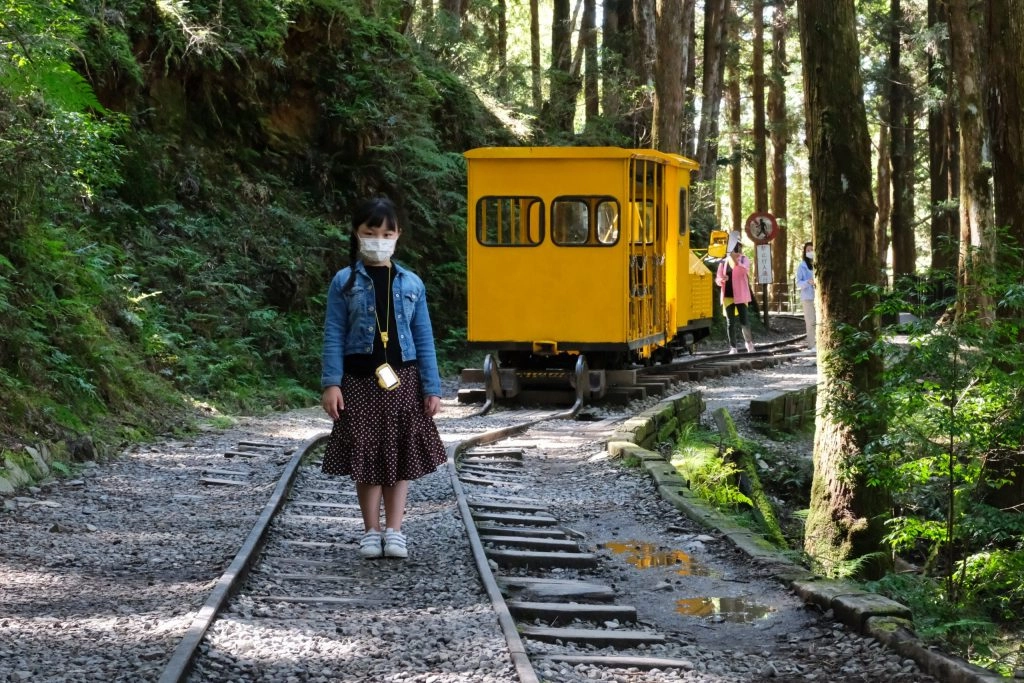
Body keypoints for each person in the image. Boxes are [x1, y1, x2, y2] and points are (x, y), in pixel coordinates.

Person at [320, 197, 446, 560]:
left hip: (403, 381)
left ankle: (395, 530)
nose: (379, 238)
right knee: (366, 455)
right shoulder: (344, 282)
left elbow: (424, 337)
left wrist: (432, 387)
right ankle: (370, 531)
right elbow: (333, 333)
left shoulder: (411, 282)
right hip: (358, 382)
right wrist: (332, 383)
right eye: (370, 232)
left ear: (398, 235)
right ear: (357, 235)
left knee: (400, 455)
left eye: (386, 232)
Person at [715, 232, 756, 354]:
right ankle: (733, 347)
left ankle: (749, 344)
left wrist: (735, 261)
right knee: (730, 323)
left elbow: (744, 271)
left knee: (744, 321)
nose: (735, 249)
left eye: (737, 246)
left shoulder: (744, 259)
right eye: (732, 247)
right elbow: (718, 279)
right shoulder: (723, 262)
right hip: (727, 295)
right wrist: (722, 279)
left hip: (741, 296)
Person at [795, 241, 816, 352]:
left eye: (811, 250)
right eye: (808, 250)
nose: (810, 252)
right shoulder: (802, 266)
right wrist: (808, 282)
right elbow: (798, 283)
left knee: (818, 321)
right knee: (810, 321)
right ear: (804, 252)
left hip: (818, 297)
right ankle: (812, 345)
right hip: (807, 297)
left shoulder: (818, 264)